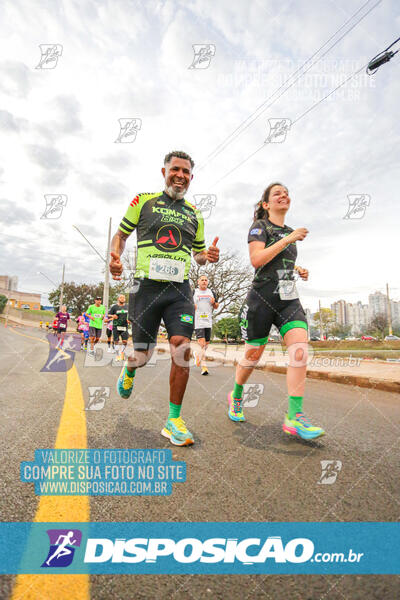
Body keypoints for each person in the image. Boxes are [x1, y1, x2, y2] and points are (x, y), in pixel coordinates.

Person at [109, 150, 219, 446]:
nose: (180, 176)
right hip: (146, 288)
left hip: (179, 291)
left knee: (181, 348)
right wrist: (115, 257)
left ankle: (174, 420)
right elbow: (121, 235)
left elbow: (199, 256)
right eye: (175, 170)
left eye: (186, 172)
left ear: (191, 178)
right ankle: (129, 367)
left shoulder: (195, 214)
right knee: (142, 356)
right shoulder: (142, 201)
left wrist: (207, 256)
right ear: (164, 172)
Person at [228, 182, 324, 440]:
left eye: (287, 192)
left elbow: (280, 261)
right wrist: (289, 239)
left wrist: (297, 269)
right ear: (266, 204)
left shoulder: (289, 231)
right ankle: (236, 395)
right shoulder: (260, 227)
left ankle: (294, 417)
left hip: (288, 300)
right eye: (277, 193)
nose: (284, 195)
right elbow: (257, 260)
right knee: (252, 356)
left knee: (300, 350)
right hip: (261, 299)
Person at [193, 275, 219, 375]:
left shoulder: (211, 292)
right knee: (202, 343)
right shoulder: (194, 292)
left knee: (206, 345)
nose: (204, 281)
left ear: (207, 282)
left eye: (206, 280)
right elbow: (188, 303)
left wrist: (214, 303)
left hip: (208, 321)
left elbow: (216, 306)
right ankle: (204, 367)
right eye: (202, 280)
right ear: (198, 282)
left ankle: (197, 354)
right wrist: (192, 305)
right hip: (198, 320)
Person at [108, 294, 129, 361]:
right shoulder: (114, 307)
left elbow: (131, 315)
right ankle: (117, 356)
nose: (122, 299)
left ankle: (122, 353)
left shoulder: (127, 306)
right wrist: (112, 316)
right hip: (116, 326)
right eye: (121, 298)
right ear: (118, 299)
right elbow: (108, 315)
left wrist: (130, 320)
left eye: (123, 298)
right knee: (116, 341)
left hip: (124, 326)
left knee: (125, 341)